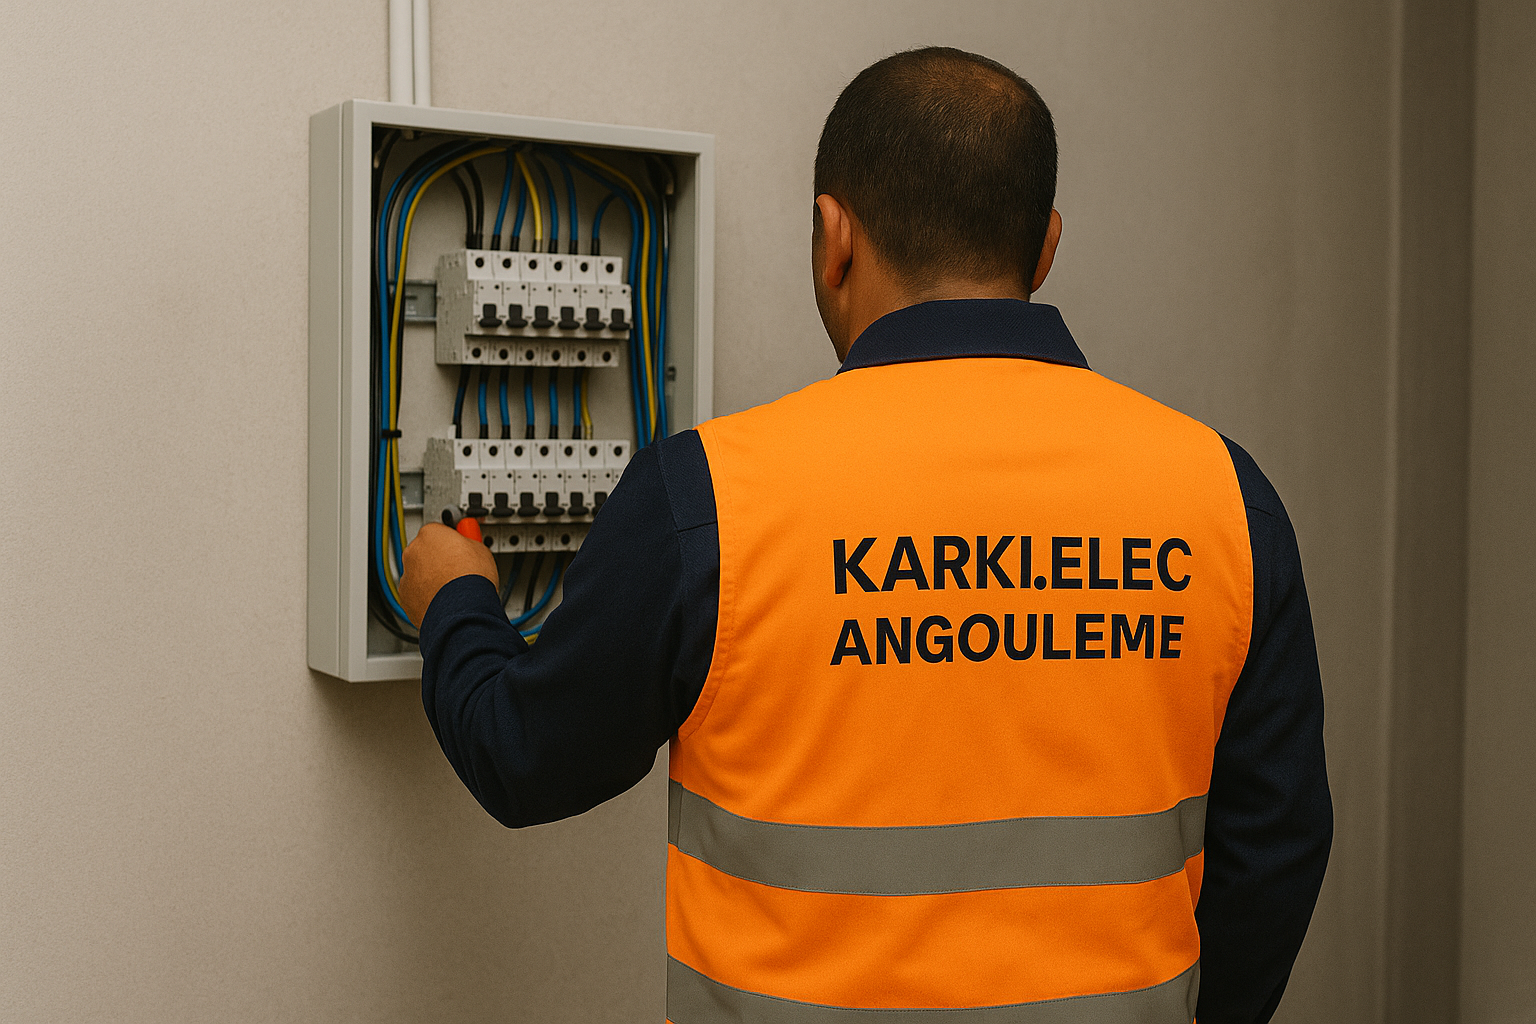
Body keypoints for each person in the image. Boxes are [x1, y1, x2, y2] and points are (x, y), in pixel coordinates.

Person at [400, 46, 1332, 1024]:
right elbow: (1276, 849)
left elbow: (527, 757)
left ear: (832, 238)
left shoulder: (710, 497)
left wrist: (455, 595)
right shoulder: (1226, 499)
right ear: (1045, 246)